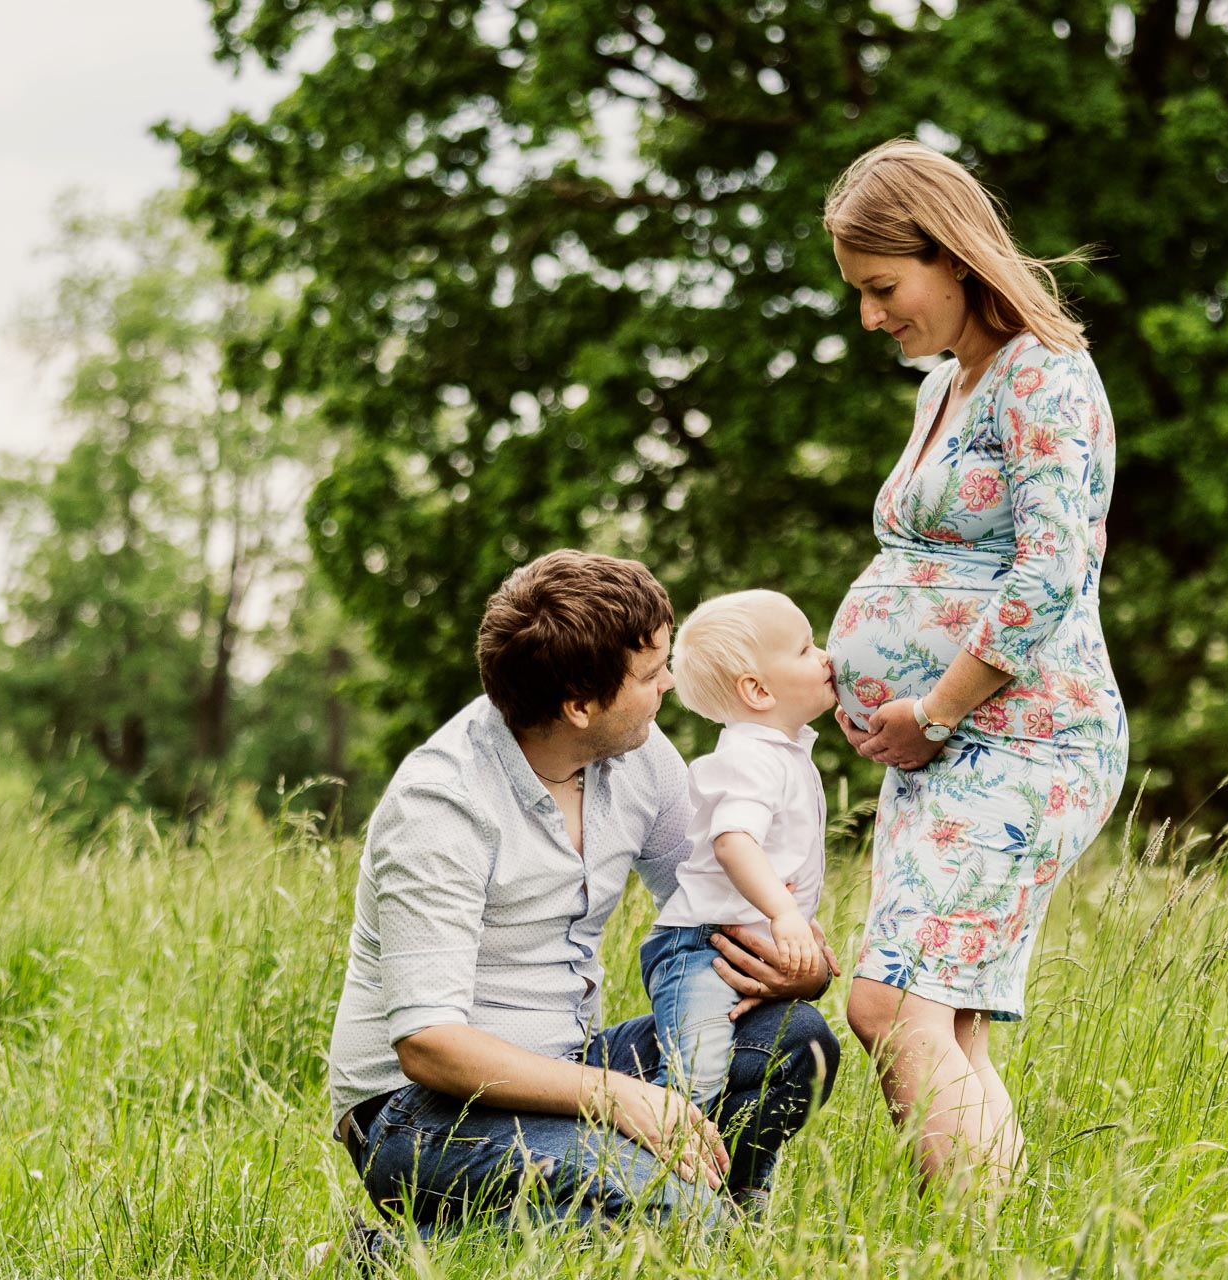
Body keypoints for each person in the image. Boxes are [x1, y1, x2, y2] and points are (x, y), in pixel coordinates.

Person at [324, 550, 839, 1245]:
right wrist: (619, 1098)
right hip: (418, 1114)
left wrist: (797, 967)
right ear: (579, 706)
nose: (668, 686)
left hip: (568, 1068)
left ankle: (725, 1225)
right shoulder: (441, 807)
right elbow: (429, 1046)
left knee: (793, 1042)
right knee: (669, 1209)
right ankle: (391, 1255)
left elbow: (708, 899)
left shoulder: (639, 757)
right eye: (651, 675)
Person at [820, 139, 1129, 1187]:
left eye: (883, 287)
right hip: (941, 748)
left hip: (1025, 737)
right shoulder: (946, 384)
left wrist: (936, 708)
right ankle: (1000, 1242)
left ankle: (971, 1247)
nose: (871, 317)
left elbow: (1051, 573)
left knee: (889, 1001)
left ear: (953, 257)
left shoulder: (1044, 375)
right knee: (946, 1019)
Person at [640, 589, 839, 1109]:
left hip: (731, 944)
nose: (824, 657)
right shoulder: (751, 757)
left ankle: (741, 1187)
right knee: (694, 1079)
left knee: (753, 1068)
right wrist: (783, 913)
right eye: (803, 649)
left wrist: (794, 920)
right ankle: (639, 1178)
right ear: (756, 689)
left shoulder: (784, 753)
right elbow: (734, 842)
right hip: (701, 949)